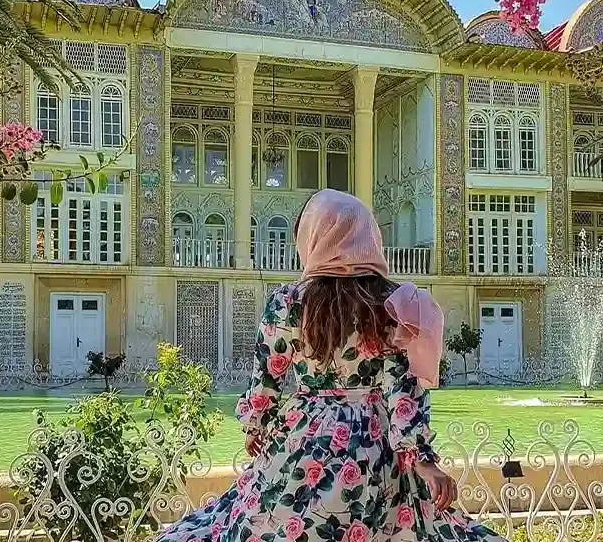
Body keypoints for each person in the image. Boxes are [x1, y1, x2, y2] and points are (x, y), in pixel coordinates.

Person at [156, 189, 505, 542]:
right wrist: (423, 461)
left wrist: (255, 426)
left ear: (313, 238)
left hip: (304, 440)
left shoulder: (289, 303)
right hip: (376, 447)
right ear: (367, 235)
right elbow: (402, 391)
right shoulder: (393, 303)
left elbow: (266, 379)